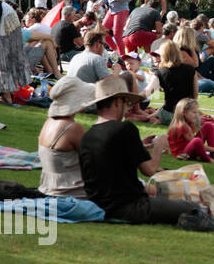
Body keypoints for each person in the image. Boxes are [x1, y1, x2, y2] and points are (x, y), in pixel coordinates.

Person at [78, 76, 204, 225]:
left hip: (98, 205)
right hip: (130, 207)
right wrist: (158, 146)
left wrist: (141, 147)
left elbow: (111, 159)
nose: (128, 108)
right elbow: (150, 170)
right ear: (118, 101)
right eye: (126, 102)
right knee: (194, 207)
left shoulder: (87, 136)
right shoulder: (124, 128)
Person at [36, 76, 95, 197]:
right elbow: (96, 160)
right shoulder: (72, 128)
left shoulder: (49, 122)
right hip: (70, 192)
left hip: (48, 188)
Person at [154, 39, 199, 125]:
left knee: (154, 114)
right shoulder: (191, 70)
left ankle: (156, 119)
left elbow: (151, 92)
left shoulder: (161, 72)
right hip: (189, 115)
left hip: (169, 113)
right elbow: (195, 94)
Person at [166, 98, 214, 163]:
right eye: (194, 112)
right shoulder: (182, 126)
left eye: (197, 112)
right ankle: (209, 159)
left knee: (208, 126)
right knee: (196, 140)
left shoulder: (189, 123)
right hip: (183, 153)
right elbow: (194, 142)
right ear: (184, 112)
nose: (196, 115)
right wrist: (213, 149)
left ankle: (213, 155)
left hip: (188, 148)